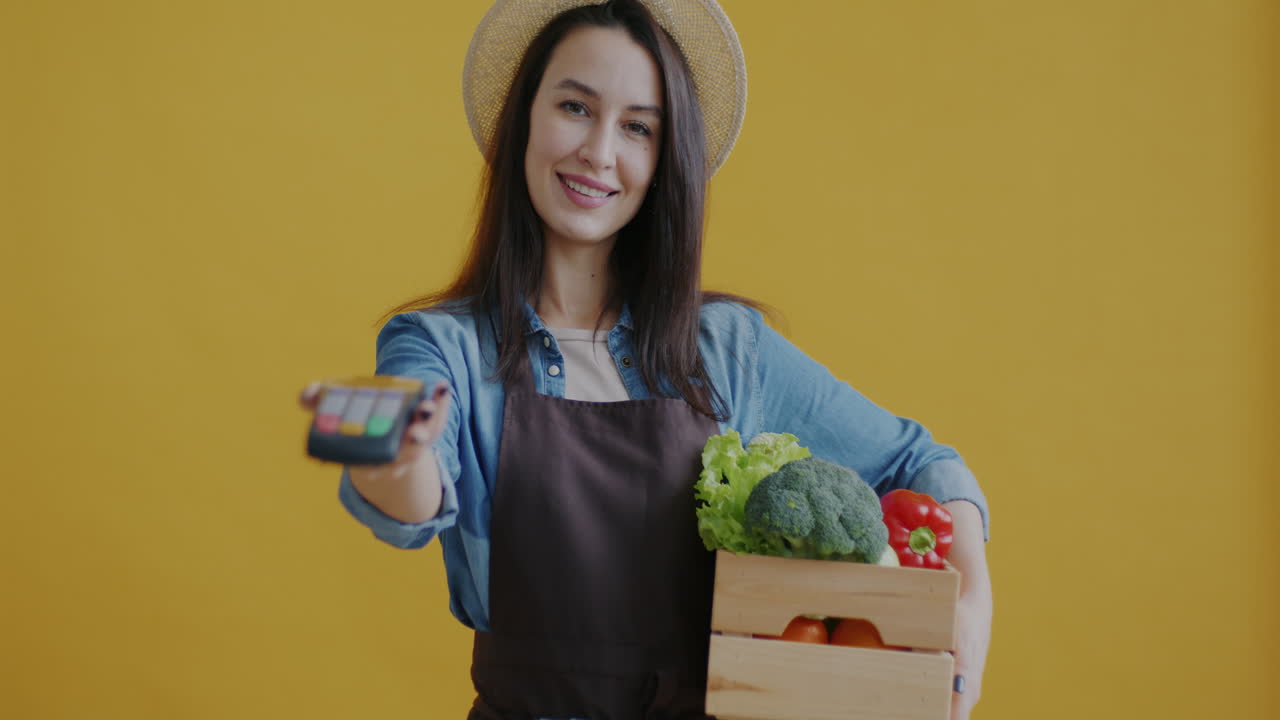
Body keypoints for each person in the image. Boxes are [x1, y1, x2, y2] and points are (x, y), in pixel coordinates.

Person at [300, 1, 992, 718]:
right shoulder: (441, 346)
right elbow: (410, 499)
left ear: (665, 161)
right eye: (575, 107)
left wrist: (971, 604)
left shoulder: (726, 348)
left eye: (637, 127)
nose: (600, 152)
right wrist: (388, 447)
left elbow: (922, 464)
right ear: (525, 120)